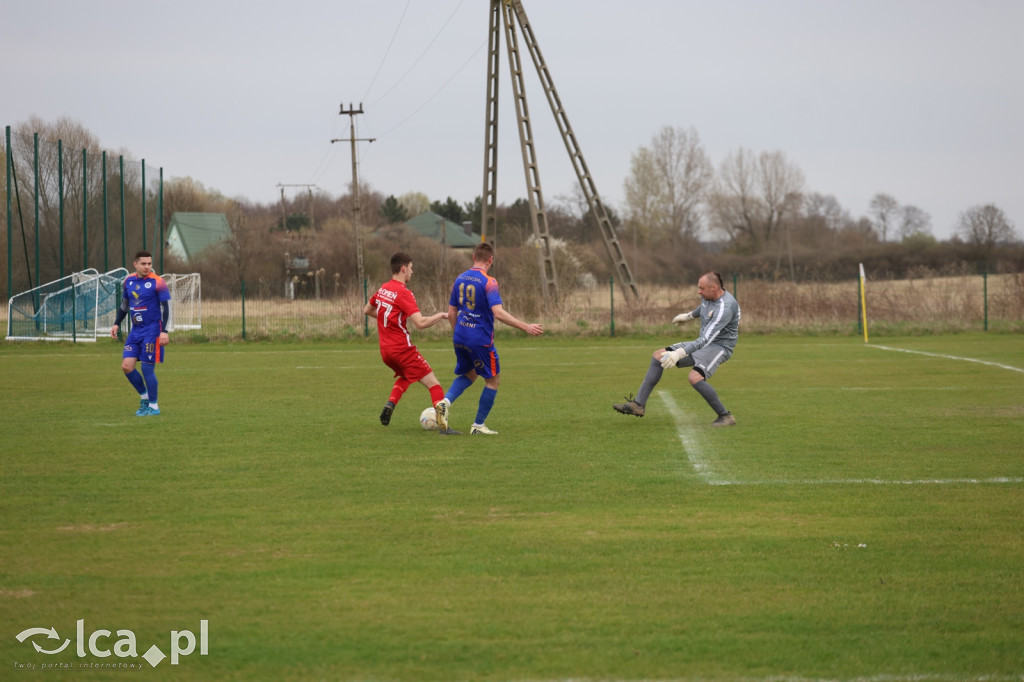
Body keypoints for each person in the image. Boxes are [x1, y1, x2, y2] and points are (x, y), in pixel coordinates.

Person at [440, 242, 543, 435]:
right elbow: (499, 313)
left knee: (470, 374)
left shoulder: (459, 279)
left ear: (473, 257)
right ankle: (478, 425)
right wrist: (525, 326)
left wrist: (458, 332)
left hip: (460, 336)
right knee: (493, 380)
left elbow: (451, 312)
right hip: (480, 339)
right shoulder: (489, 282)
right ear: (491, 260)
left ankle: (444, 402)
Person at [613, 271, 740, 426]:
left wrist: (679, 353)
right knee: (658, 356)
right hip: (704, 342)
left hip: (719, 347)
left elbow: (705, 339)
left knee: (694, 378)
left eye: (702, 288)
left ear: (714, 287)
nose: (698, 291)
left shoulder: (725, 308)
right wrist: (689, 316)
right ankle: (638, 405)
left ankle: (725, 416)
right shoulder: (708, 296)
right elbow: (705, 307)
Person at [363, 252, 452, 432]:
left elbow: (367, 309)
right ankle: (444, 427)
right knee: (434, 384)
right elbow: (420, 323)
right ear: (403, 269)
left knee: (407, 375)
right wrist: (441, 315)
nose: (412, 272)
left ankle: (391, 403)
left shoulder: (383, 288)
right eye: (411, 268)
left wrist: (390, 320)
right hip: (402, 349)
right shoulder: (404, 292)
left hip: (385, 352)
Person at [111, 250, 171, 417]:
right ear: (135, 264)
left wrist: (164, 331)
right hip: (135, 332)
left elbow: (165, 308)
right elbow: (124, 305)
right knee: (127, 366)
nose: (147, 267)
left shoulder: (158, 282)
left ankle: (153, 406)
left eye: (149, 264)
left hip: (152, 331)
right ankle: (145, 398)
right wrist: (116, 323)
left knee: (147, 370)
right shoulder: (128, 281)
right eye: (143, 264)